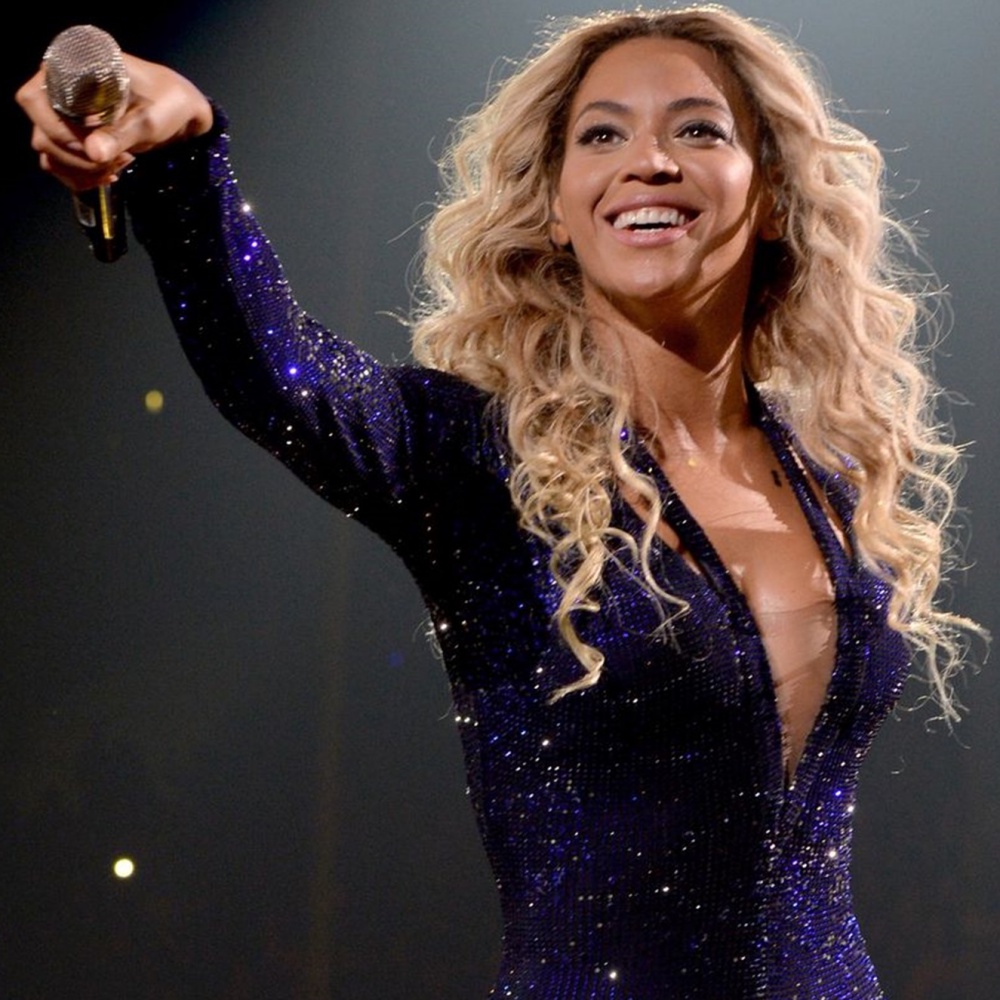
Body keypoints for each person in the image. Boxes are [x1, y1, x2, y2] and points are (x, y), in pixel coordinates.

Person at [16, 5, 984, 998]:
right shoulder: (474, 459)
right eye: (602, 134)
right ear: (557, 206)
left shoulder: (833, 486)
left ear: (771, 193)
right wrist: (184, 151)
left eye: (697, 128)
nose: (646, 160)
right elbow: (278, 371)